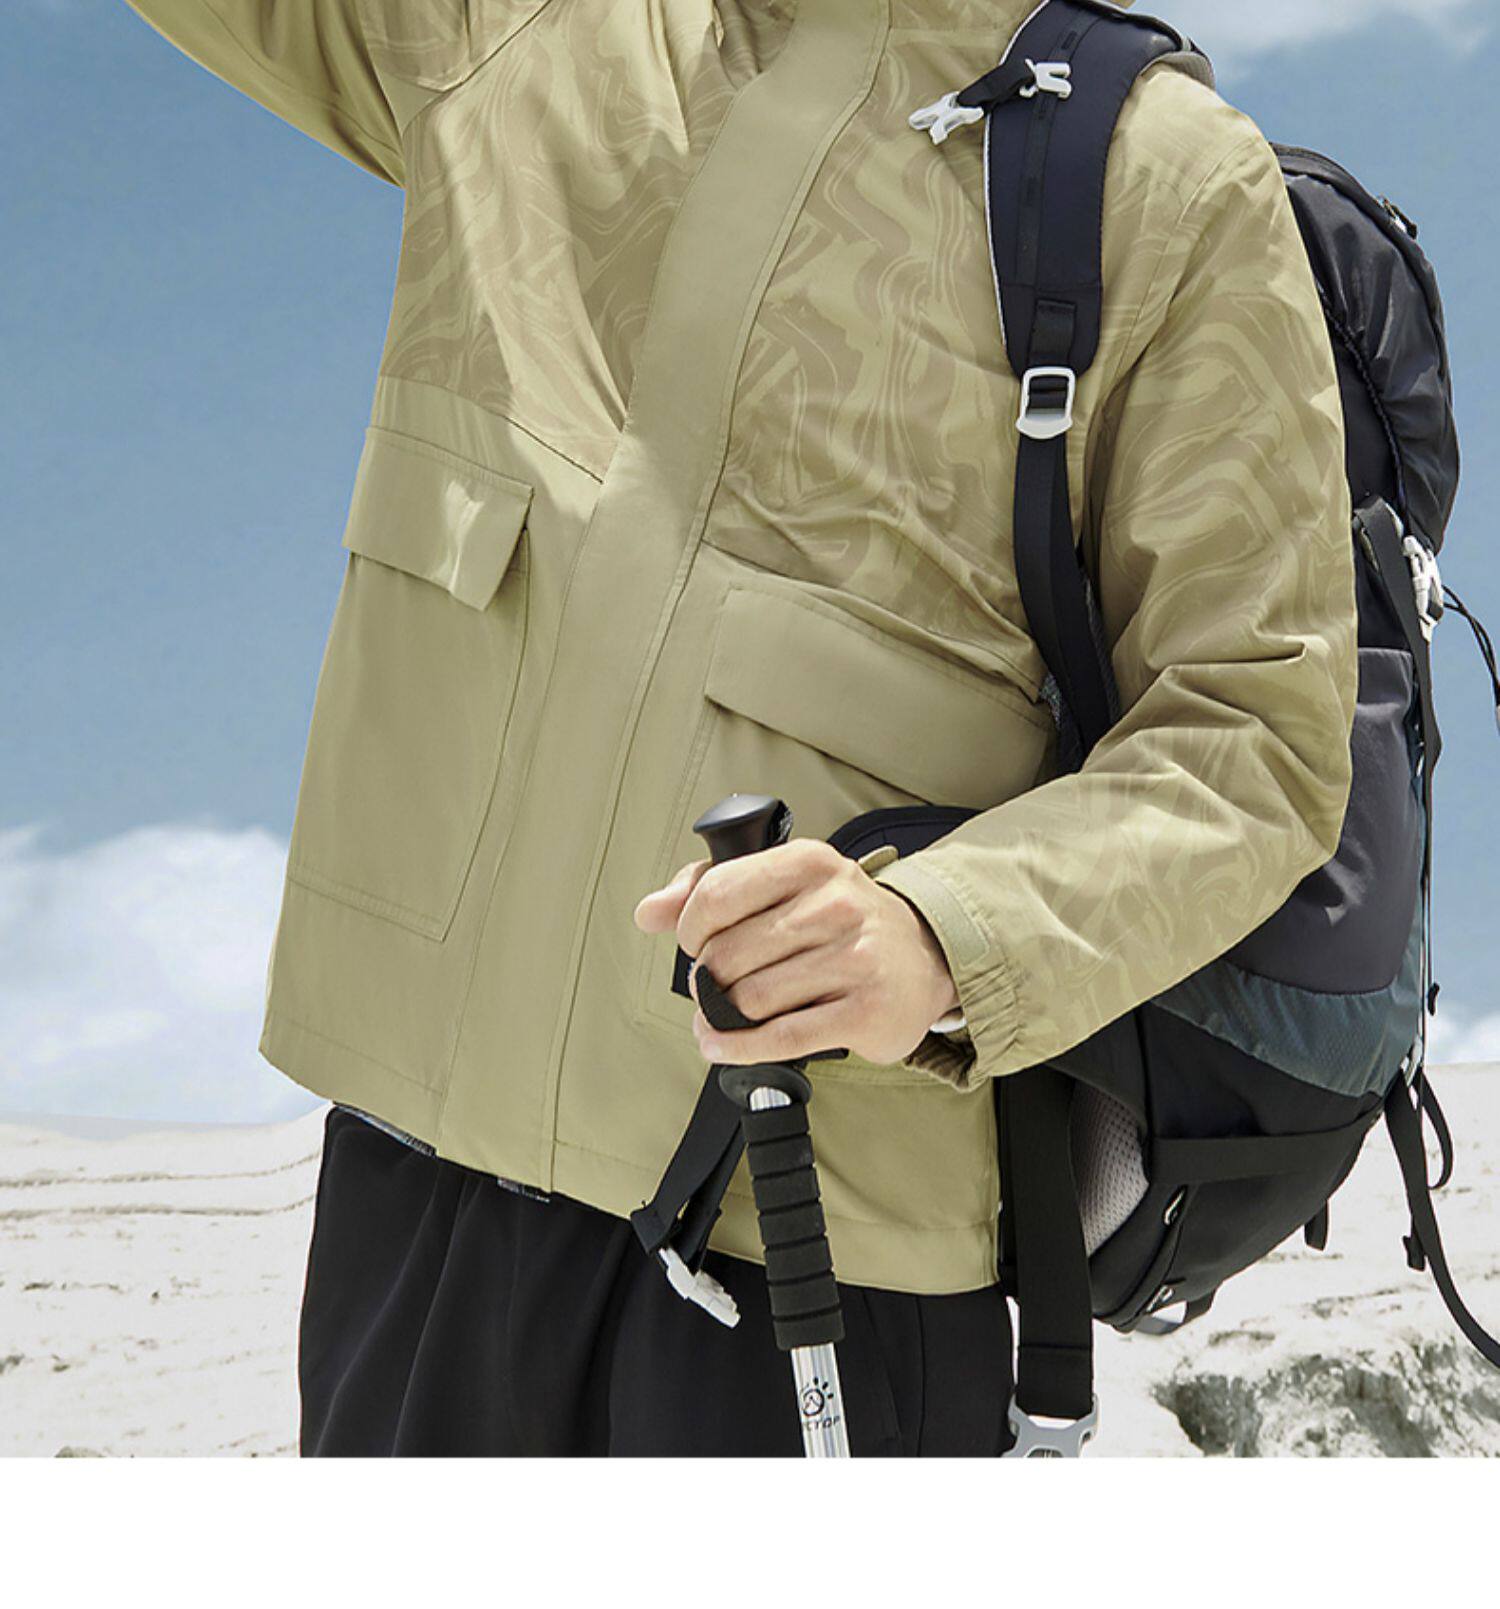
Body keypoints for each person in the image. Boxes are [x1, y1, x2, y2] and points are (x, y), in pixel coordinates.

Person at [122, 1, 1357, 1455]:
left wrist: (941, 937)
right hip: (418, 1180)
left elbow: (1252, 733)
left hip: (820, 1249)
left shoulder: (1165, 180)